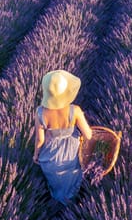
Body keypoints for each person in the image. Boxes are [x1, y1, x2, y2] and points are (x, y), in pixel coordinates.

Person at [33, 70, 92, 205]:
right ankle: (72, 207)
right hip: (71, 156)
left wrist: (36, 155)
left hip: (50, 156)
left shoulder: (40, 113)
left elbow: (40, 140)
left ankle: (56, 203)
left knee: (56, 184)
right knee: (71, 183)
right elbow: (88, 135)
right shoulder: (75, 110)